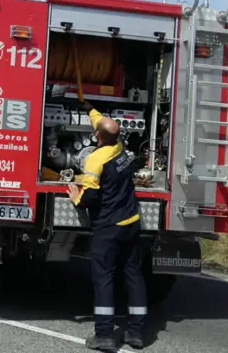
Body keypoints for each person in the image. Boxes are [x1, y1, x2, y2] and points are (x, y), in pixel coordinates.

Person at [67, 100, 146, 351]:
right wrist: (89, 108)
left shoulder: (94, 160)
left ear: (96, 137)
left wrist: (75, 198)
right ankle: (136, 333)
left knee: (104, 278)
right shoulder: (120, 149)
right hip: (131, 223)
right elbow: (104, 125)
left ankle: (104, 335)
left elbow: (89, 198)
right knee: (133, 275)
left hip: (109, 227)